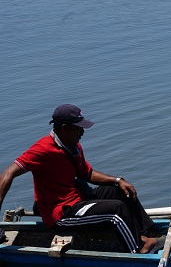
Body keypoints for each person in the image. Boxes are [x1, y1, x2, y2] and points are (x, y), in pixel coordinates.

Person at [0, 104, 162, 253]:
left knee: (120, 191)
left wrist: (117, 180)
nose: (82, 132)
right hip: (61, 213)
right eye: (78, 128)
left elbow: (87, 174)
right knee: (117, 210)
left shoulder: (73, 145)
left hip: (77, 199)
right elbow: (9, 173)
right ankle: (139, 249)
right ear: (64, 128)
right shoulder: (42, 150)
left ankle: (147, 233)